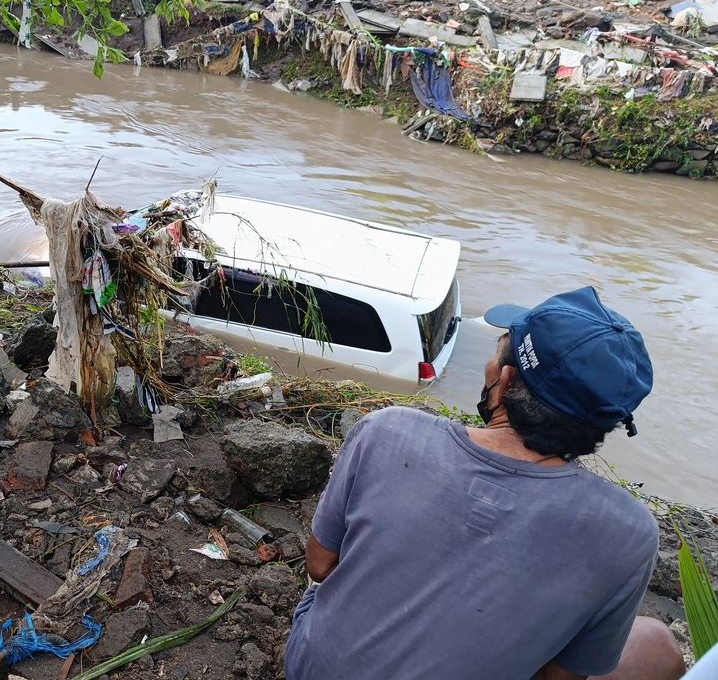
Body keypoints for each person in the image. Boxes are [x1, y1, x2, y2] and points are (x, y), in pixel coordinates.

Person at [284, 287, 686, 680]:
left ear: (506, 380)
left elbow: (320, 566)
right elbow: (561, 676)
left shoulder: (388, 431)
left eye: (495, 355)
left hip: (313, 668)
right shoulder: (630, 532)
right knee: (654, 643)